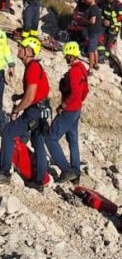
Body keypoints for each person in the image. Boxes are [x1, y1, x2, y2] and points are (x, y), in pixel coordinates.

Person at [0, 37, 52, 190]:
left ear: (28, 51)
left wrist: (16, 109)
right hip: (43, 110)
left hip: (34, 111)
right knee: (38, 142)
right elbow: (38, 90)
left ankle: (4, 172)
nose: (18, 48)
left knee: (8, 132)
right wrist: (20, 96)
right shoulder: (35, 67)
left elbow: (31, 96)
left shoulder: (32, 68)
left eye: (21, 47)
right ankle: (39, 181)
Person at [45, 42, 88, 184]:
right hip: (76, 109)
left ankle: (66, 169)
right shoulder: (82, 69)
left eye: (66, 56)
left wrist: (63, 104)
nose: (65, 58)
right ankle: (76, 172)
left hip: (69, 110)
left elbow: (75, 92)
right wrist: (78, 103)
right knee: (72, 140)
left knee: (51, 138)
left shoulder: (74, 72)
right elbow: (84, 91)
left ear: (71, 55)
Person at [82, 0, 104, 70]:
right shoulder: (96, 8)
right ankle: (96, 64)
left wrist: (85, 20)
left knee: (90, 51)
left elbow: (92, 21)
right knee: (95, 49)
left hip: (93, 32)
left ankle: (90, 69)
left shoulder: (93, 8)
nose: (86, 0)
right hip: (97, 31)